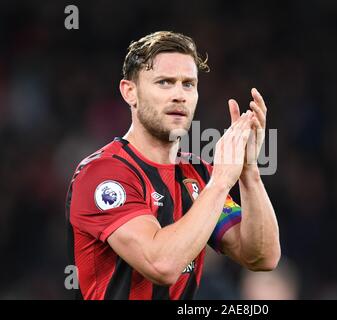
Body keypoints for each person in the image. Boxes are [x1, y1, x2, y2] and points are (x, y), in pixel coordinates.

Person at [65, 31, 281, 300]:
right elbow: (161, 264)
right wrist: (222, 180)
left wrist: (249, 173)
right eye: (165, 82)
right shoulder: (102, 174)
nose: (179, 95)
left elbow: (262, 256)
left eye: (188, 84)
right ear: (130, 92)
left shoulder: (198, 175)